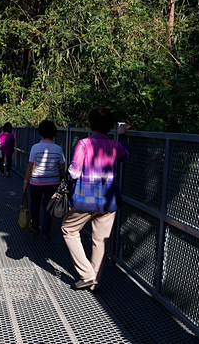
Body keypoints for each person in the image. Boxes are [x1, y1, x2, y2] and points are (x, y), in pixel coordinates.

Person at [62, 107, 130, 291]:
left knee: (69, 229)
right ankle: (95, 282)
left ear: (90, 124)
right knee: (100, 240)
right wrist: (123, 135)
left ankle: (87, 275)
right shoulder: (115, 145)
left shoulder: (84, 144)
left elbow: (74, 172)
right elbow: (126, 155)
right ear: (109, 127)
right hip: (109, 199)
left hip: (86, 198)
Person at [23, 120, 65, 240]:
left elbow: (31, 166)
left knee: (35, 205)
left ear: (40, 132)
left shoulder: (35, 147)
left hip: (36, 182)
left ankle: (35, 228)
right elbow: (62, 167)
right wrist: (59, 179)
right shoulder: (58, 149)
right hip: (53, 182)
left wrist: (26, 182)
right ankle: (45, 231)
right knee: (49, 207)